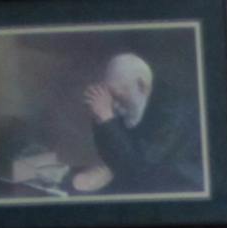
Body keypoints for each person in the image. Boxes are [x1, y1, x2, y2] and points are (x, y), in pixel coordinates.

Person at [77, 53, 203, 194]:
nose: (114, 104)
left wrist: (106, 117)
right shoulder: (130, 101)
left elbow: (139, 168)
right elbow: (113, 158)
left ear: (141, 86)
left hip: (179, 188)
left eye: (117, 95)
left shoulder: (173, 112)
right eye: (110, 96)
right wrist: (99, 117)